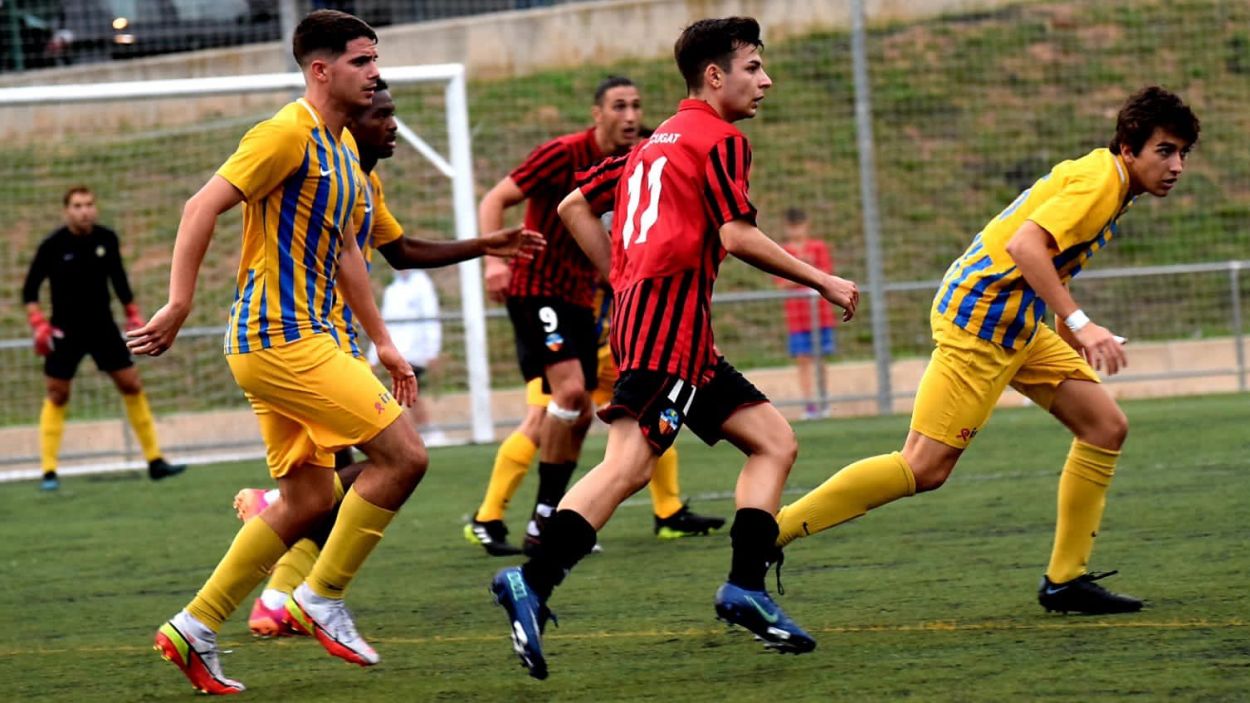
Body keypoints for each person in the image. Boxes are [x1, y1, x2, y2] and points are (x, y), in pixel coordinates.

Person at [489, 17, 859, 679]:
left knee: (773, 440)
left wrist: (618, 277)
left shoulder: (655, 141)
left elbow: (574, 203)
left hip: (664, 329)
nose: (765, 80)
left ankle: (745, 585)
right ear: (714, 76)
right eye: (753, 67)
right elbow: (738, 236)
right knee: (628, 465)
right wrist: (823, 278)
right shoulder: (721, 140)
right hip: (669, 331)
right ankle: (532, 579)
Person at [773, 86, 1200, 616]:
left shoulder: (1109, 181)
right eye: (1166, 150)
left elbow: (1044, 258)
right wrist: (1081, 323)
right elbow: (1025, 247)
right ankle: (769, 534)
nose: (1177, 165)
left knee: (1104, 427)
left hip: (1017, 323)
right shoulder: (1100, 182)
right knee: (924, 467)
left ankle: (1065, 580)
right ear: (1129, 148)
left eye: (1183, 152)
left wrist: (1068, 333)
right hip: (980, 321)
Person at [130, 11, 426, 695]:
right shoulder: (285, 133)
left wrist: (383, 342)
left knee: (307, 497)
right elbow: (199, 206)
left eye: (375, 58)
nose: (374, 71)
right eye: (360, 60)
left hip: (299, 338)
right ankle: (320, 596)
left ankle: (193, 626)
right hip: (279, 337)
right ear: (320, 71)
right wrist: (178, 302)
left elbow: (350, 249)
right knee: (405, 456)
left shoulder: (344, 153)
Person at [227, 77, 542, 640]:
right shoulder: (313, 162)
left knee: (337, 485)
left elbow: (399, 251)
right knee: (380, 466)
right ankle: (286, 580)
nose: (393, 123)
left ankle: (278, 598)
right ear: (351, 118)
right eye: (384, 114)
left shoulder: (361, 182)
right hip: (300, 343)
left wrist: (484, 245)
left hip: (332, 342)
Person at [472, 74, 718, 556]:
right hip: (535, 290)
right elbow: (495, 199)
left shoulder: (642, 157)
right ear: (597, 113)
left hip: (583, 300)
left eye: (636, 106)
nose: (630, 116)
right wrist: (494, 262)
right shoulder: (561, 154)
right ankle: (498, 516)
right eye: (619, 106)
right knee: (565, 397)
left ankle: (544, 517)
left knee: (578, 410)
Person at [464, 280, 725, 556]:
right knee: (541, 420)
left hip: (610, 344)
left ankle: (668, 512)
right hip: (565, 341)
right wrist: (494, 261)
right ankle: (488, 517)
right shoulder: (569, 256)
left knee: (648, 412)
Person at [21, 186, 186, 491]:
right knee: (58, 394)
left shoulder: (106, 239)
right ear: (66, 211)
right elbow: (30, 291)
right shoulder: (52, 245)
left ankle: (155, 461)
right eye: (77, 205)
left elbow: (119, 280)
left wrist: (133, 313)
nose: (84, 210)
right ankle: (48, 471)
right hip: (65, 332)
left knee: (132, 384)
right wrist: (38, 324)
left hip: (103, 329)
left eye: (88, 204)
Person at [773, 207, 837, 420]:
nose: (796, 231)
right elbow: (782, 283)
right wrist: (805, 272)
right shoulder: (782, 252)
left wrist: (803, 273)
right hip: (797, 318)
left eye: (799, 225)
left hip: (820, 314)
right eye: (792, 226)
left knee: (821, 359)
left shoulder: (818, 247)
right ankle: (809, 404)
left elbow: (825, 274)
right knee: (803, 360)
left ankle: (824, 400)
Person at [370, 269, 445, 443]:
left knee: (409, 392)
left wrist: (432, 349)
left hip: (414, 351)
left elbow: (430, 317)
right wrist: (374, 355)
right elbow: (383, 324)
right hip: (394, 350)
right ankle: (417, 432)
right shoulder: (393, 289)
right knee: (401, 393)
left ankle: (424, 431)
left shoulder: (422, 285)